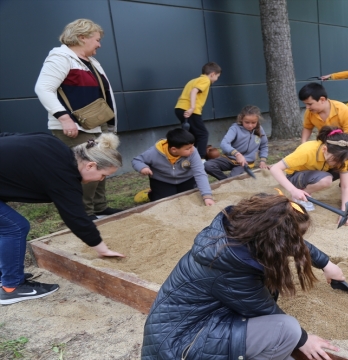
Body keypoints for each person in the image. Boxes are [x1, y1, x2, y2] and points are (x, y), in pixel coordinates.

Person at [141, 194, 346, 360]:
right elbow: (263, 309)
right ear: (274, 240)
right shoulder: (230, 267)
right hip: (179, 344)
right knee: (288, 329)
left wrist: (326, 264)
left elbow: (288, 240)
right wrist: (304, 340)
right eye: (295, 238)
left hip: (203, 323)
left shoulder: (243, 233)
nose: (297, 244)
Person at [0, 133, 125, 305]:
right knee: (15, 227)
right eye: (103, 175)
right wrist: (101, 248)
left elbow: (10, 137)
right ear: (90, 165)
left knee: (6, 226)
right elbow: (76, 217)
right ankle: (11, 287)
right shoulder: (63, 174)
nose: (102, 180)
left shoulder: (55, 145)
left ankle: (6, 274)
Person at [34, 18, 122, 220]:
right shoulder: (60, 58)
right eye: (97, 39)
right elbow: (43, 88)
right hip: (76, 128)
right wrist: (64, 118)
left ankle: (99, 208)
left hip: (95, 126)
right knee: (87, 169)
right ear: (82, 38)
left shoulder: (90, 62)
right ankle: (83, 214)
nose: (99, 44)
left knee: (101, 166)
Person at [270, 126, 348, 217]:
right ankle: (301, 195)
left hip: (321, 172)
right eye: (335, 160)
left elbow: (345, 185)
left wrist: (344, 212)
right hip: (297, 176)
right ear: (325, 149)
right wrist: (293, 190)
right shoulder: (307, 150)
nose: (339, 164)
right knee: (326, 179)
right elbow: (275, 168)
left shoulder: (343, 154)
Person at [132, 129, 214, 205]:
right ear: (174, 149)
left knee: (186, 198)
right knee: (165, 202)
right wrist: (142, 167)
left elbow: (200, 173)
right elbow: (136, 160)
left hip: (185, 179)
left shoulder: (193, 152)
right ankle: (150, 194)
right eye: (188, 148)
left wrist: (207, 196)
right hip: (163, 181)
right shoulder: (154, 152)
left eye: (192, 146)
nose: (192, 149)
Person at [204, 105, 269, 180]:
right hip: (229, 159)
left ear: (257, 120)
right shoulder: (235, 128)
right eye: (247, 122)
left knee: (233, 178)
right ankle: (224, 181)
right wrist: (237, 154)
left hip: (245, 163)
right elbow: (224, 143)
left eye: (253, 122)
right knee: (208, 165)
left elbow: (264, 146)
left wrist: (263, 161)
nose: (250, 125)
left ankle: (227, 182)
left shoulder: (260, 129)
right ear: (241, 119)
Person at [174, 62, 222, 159]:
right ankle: (200, 159)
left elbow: (181, 96)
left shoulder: (193, 81)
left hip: (179, 108)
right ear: (212, 74)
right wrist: (192, 108)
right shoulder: (205, 80)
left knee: (192, 136)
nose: (216, 79)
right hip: (191, 111)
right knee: (203, 134)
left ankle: (185, 157)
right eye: (217, 76)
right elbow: (194, 91)